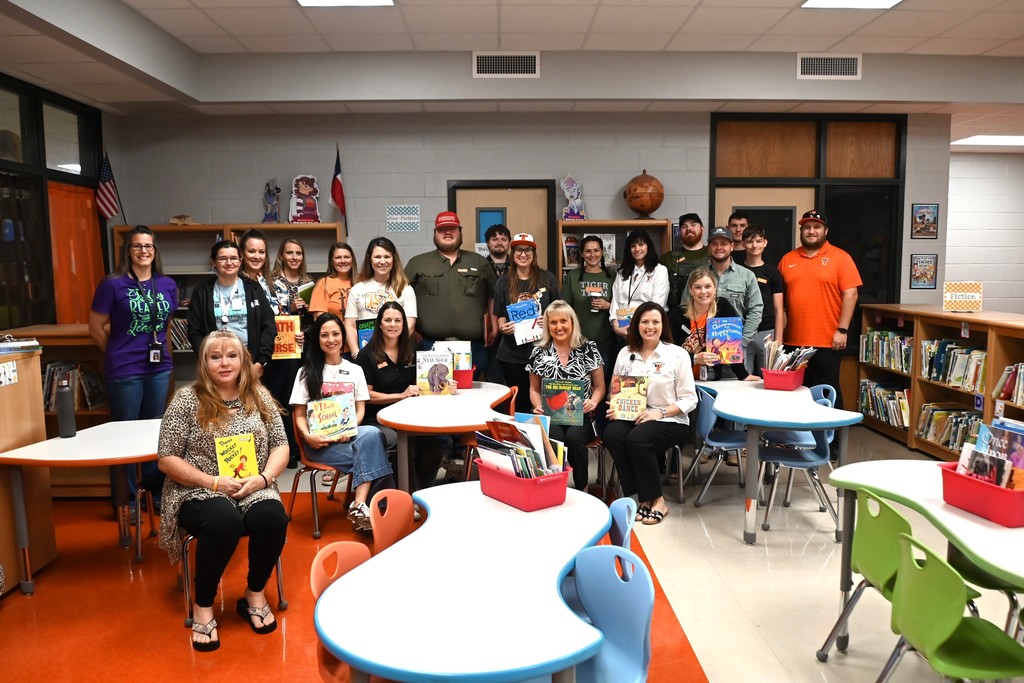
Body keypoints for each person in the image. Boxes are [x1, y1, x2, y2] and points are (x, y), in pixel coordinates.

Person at [156, 330, 290, 652]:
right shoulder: (186, 400)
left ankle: (254, 593)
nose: (224, 363)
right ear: (204, 363)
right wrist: (212, 481)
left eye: (231, 355)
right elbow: (166, 459)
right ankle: (204, 604)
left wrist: (264, 478)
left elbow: (281, 446)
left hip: (251, 484)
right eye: (215, 357)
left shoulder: (259, 396)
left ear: (243, 360)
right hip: (198, 489)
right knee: (224, 520)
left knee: (273, 517)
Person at [89, 225, 177, 510]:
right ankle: (126, 501)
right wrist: (116, 353)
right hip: (125, 370)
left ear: (155, 251)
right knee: (123, 436)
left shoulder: (166, 284)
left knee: (154, 433)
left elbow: (167, 327)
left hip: (158, 369)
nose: (143, 251)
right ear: (128, 251)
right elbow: (96, 327)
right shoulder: (112, 284)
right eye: (137, 246)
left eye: (148, 246)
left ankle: (154, 495)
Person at [289, 313, 395, 529]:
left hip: (347, 438)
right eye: (324, 335)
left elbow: (360, 409)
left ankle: (360, 505)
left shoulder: (355, 370)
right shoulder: (305, 372)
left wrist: (350, 428)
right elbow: (299, 414)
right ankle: (381, 509)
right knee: (374, 454)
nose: (331, 339)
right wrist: (308, 436)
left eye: (336, 334)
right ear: (317, 340)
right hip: (321, 444)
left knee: (372, 434)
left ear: (343, 336)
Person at [604, 301, 697, 525]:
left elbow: (689, 399)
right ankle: (641, 497)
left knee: (638, 438)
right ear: (636, 325)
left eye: (655, 322)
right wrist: (615, 406)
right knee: (612, 434)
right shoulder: (625, 353)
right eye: (645, 322)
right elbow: (613, 390)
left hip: (670, 418)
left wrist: (659, 413)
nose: (650, 327)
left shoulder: (677, 354)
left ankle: (657, 500)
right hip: (634, 415)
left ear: (662, 325)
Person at [355, 301, 445, 491]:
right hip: (376, 419)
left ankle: (422, 492)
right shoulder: (367, 355)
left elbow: (425, 383)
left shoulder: (412, 350)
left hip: (408, 418)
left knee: (435, 445)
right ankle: (406, 498)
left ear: (404, 324)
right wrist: (401, 396)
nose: (392, 324)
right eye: (387, 320)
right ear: (379, 324)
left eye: (397, 320)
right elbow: (367, 395)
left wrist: (444, 384)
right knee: (402, 445)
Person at [778, 210, 862, 410]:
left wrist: (842, 330)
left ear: (826, 231)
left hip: (828, 340)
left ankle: (832, 441)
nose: (811, 231)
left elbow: (851, 295)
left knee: (828, 391)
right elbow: (778, 302)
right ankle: (798, 440)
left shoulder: (841, 258)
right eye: (807, 227)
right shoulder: (788, 259)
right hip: (793, 341)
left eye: (816, 227)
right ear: (801, 231)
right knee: (796, 394)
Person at [526, 300, 605, 491]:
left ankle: (582, 488)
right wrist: (537, 405)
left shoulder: (588, 348)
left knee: (574, 437)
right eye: (553, 322)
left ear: (572, 322)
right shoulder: (539, 351)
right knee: (553, 435)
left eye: (563, 321)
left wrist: (593, 402)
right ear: (547, 325)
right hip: (550, 416)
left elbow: (600, 386)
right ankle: (553, 488)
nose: (559, 326)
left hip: (581, 416)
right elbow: (534, 389)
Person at [406, 211, 496, 378]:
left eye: (452, 229)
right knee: (434, 389)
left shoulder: (479, 262)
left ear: (460, 232)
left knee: (470, 392)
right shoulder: (417, 263)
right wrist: (411, 330)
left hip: (472, 346)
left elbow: (492, 296)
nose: (447, 232)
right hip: (428, 344)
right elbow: (402, 297)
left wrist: (494, 327)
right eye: (442, 229)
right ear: (434, 233)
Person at [186, 240, 277, 378]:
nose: (229, 262)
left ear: (240, 261)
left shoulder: (253, 288)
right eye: (223, 258)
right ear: (213, 262)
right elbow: (194, 331)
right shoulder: (202, 291)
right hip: (216, 364)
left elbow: (268, 326)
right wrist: (207, 360)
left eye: (234, 258)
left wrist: (261, 362)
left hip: (250, 363)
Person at [494, 232, 558, 413]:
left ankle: (546, 438)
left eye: (528, 250)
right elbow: (499, 314)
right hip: (512, 354)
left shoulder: (548, 279)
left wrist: (547, 323)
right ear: (512, 253)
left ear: (534, 253)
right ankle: (522, 439)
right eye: (519, 250)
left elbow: (557, 311)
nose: (523, 254)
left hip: (543, 350)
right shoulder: (503, 281)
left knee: (546, 402)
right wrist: (501, 326)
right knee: (520, 402)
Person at [265, 238, 313, 468]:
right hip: (281, 351)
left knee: (302, 399)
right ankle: (287, 451)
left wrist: (306, 331)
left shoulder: (308, 282)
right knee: (282, 399)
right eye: (290, 253)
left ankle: (301, 446)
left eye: (299, 253)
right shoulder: (272, 282)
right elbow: (268, 317)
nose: (294, 257)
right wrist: (289, 309)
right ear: (281, 255)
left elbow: (313, 318)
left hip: (305, 348)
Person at [669, 267, 759, 382]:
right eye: (697, 287)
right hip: (681, 379)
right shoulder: (676, 315)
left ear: (715, 288)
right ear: (690, 290)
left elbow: (732, 346)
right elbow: (669, 352)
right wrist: (695, 358)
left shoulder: (723, 306)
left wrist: (743, 375)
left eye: (707, 286)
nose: (703, 292)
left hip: (711, 379)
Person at [345, 236, 417, 358]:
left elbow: (409, 324)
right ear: (370, 259)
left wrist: (393, 351)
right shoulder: (357, 289)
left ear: (393, 259)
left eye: (387, 257)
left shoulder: (405, 289)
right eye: (377, 257)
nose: (382, 261)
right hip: (365, 353)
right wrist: (356, 354)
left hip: (394, 354)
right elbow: (350, 325)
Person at [560, 234, 616, 375]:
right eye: (588, 251)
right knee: (578, 386)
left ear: (602, 252)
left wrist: (608, 306)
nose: (592, 255)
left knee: (602, 385)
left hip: (605, 343)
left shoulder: (613, 276)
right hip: (577, 342)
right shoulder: (573, 276)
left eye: (596, 250)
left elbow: (622, 308)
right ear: (582, 254)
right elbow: (564, 310)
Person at [706, 225, 763, 359]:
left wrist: (742, 341)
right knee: (703, 381)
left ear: (732, 246)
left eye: (724, 243)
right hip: (704, 350)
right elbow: (686, 306)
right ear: (708, 247)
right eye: (714, 243)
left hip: (736, 347)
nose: (719, 247)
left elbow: (756, 309)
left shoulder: (747, 276)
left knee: (739, 380)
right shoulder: (697, 275)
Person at [609, 229, 669, 339]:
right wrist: (615, 326)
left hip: (647, 330)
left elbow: (657, 304)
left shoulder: (660, 270)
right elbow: (615, 301)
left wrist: (639, 326)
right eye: (633, 246)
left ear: (648, 247)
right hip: (623, 330)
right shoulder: (622, 272)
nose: (637, 249)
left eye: (641, 244)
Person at [741, 224, 785, 375]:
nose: (754, 245)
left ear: (765, 243)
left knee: (768, 379)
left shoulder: (773, 273)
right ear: (743, 244)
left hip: (767, 332)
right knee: (742, 379)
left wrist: (778, 341)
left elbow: (779, 309)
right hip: (742, 332)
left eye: (758, 241)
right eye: (750, 241)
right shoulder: (737, 270)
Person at [309, 241, 357, 354]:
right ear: (332, 261)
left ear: (352, 260)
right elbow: (320, 319)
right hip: (336, 349)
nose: (343, 261)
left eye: (346, 257)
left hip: (361, 346)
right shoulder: (324, 283)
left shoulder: (361, 282)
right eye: (338, 257)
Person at [660, 213, 710, 310]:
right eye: (684, 226)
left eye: (693, 225)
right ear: (680, 231)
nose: (689, 228)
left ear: (702, 229)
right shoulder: (667, 259)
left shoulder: (714, 256)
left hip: (709, 317)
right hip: (676, 317)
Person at [483, 223, 511, 384]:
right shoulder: (479, 266)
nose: (499, 242)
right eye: (494, 239)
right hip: (489, 328)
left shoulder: (519, 265)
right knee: (494, 377)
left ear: (509, 242)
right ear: (487, 243)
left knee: (514, 376)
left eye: (503, 238)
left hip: (514, 327)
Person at [238, 229, 281, 317]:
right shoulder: (235, 283)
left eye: (261, 252)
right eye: (251, 251)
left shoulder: (274, 284)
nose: (257, 256)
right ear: (241, 254)